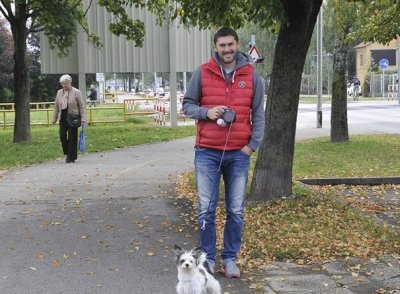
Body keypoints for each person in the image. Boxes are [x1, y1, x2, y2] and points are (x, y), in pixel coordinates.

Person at [182, 27, 265, 278]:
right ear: (215, 47)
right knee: (206, 209)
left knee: (236, 211)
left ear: (237, 44)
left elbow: (259, 113)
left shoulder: (251, 75)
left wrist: (252, 145)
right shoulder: (202, 72)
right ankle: (207, 260)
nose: (227, 49)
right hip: (207, 152)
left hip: (239, 154)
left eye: (231, 45)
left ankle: (229, 260)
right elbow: (187, 105)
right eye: (222, 45)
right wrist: (206, 113)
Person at [52, 74, 86, 163]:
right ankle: (69, 152)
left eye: (66, 83)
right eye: (62, 83)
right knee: (62, 136)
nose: (64, 85)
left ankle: (70, 157)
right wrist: (54, 118)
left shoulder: (76, 92)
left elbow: (81, 106)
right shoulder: (59, 92)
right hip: (62, 117)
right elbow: (56, 106)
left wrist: (83, 118)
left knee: (72, 138)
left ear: (70, 82)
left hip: (73, 117)